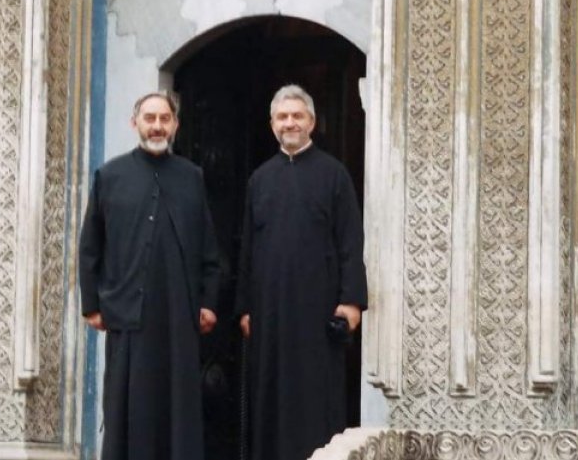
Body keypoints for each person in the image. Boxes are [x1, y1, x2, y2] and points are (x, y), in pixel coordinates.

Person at [79, 91, 220, 460]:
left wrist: (209, 302)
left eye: (164, 119)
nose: (157, 126)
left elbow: (209, 248)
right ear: (135, 123)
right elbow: (91, 245)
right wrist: (91, 305)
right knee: (128, 410)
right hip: (127, 317)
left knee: (178, 413)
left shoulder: (191, 177)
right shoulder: (110, 176)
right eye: (150, 118)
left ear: (175, 125)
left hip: (178, 317)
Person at [236, 84, 368, 460]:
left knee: (315, 399)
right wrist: (245, 308)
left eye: (297, 116)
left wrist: (351, 301)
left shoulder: (334, 175)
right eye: (282, 117)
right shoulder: (260, 179)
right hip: (270, 312)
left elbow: (350, 241)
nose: (290, 123)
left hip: (318, 311)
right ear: (272, 125)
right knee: (269, 399)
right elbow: (248, 248)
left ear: (312, 122)